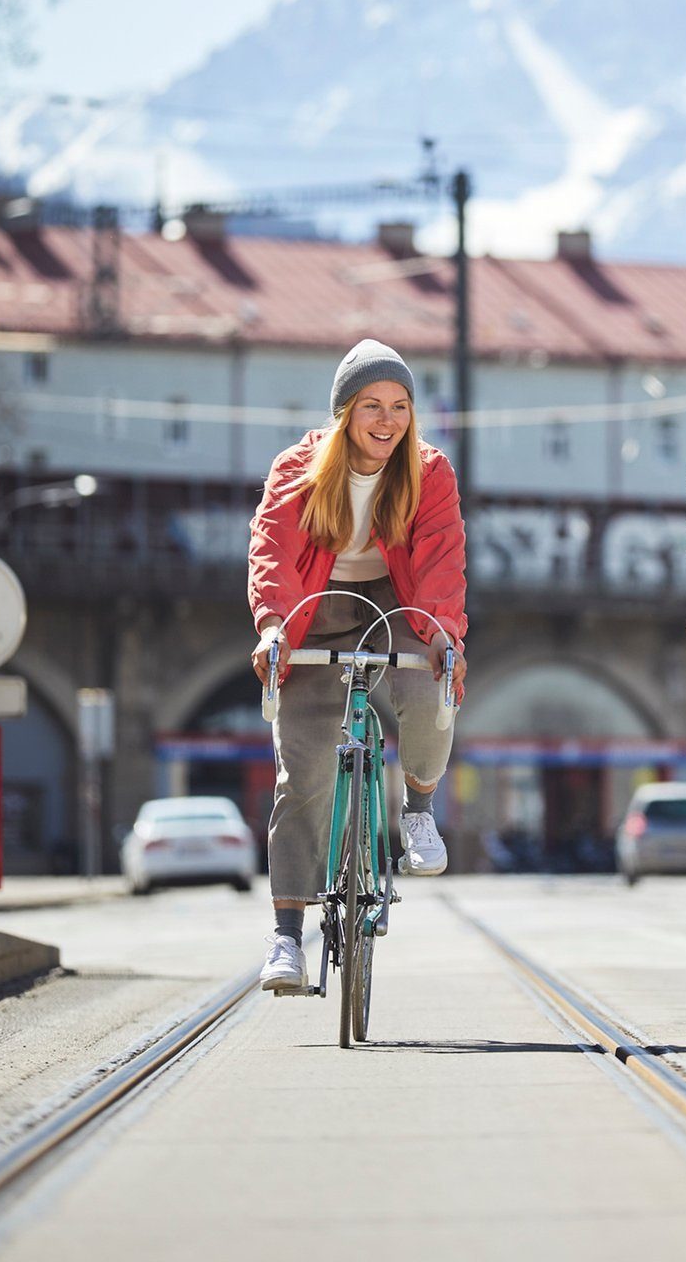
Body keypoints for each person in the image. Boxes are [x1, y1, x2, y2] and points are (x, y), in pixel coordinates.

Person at [248, 339, 468, 991]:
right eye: (371, 405)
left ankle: (418, 809)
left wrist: (440, 633)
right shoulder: (300, 468)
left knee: (434, 682)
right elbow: (274, 552)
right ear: (344, 413)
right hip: (316, 603)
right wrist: (274, 629)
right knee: (306, 766)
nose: (387, 419)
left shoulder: (430, 472)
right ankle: (287, 937)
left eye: (399, 405)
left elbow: (439, 560)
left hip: (401, 599)